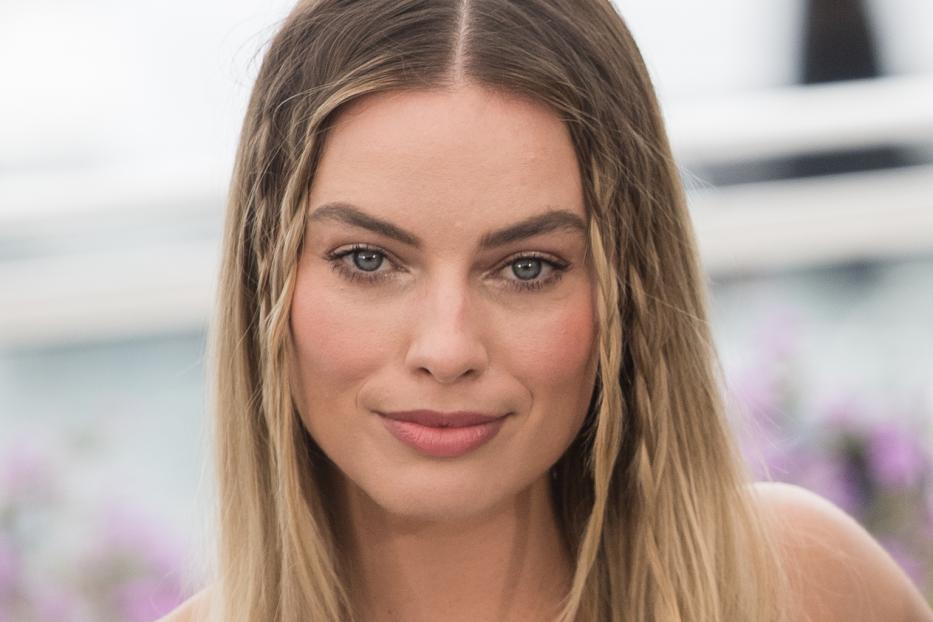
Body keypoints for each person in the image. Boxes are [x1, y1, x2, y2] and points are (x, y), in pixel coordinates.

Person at [160, 1, 933, 621]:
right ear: (266, 281)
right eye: (368, 260)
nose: (447, 346)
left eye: (526, 268)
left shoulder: (799, 589)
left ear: (627, 293)